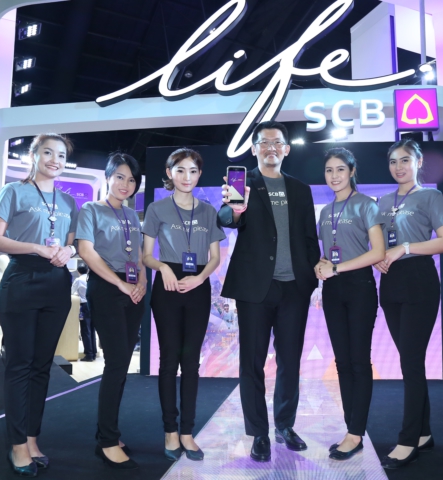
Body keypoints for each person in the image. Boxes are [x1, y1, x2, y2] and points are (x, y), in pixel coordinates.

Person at [219, 120, 320, 462]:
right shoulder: (242, 182)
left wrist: (310, 279)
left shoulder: (301, 189)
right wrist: (236, 210)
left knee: (290, 362)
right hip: (254, 289)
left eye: (277, 142)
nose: (271, 148)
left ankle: (285, 426)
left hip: (294, 289)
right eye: (264, 142)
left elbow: (309, 238)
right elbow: (226, 218)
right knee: (252, 363)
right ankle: (258, 432)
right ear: (254, 149)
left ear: (287, 149)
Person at [0, 133, 79, 477]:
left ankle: (31, 437)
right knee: (19, 366)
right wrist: (36, 248)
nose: (55, 160)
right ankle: (17, 444)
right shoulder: (14, 191)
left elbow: (73, 243)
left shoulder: (69, 202)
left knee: (42, 367)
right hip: (22, 280)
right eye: (48, 152)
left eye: (61, 155)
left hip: (57, 284)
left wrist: (70, 250)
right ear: (34, 155)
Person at [376, 139, 443, 469]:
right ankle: (423, 433)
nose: (399, 167)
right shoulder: (383, 201)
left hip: (419, 281)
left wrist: (404, 248)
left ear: (419, 162)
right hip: (390, 284)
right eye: (393, 161)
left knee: (410, 362)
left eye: (405, 160)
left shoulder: (431, 196)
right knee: (411, 362)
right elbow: (377, 243)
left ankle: (407, 440)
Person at [142, 147, 225, 461]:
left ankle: (187, 432)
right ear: (169, 173)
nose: (186, 177)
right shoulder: (157, 209)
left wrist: (200, 278)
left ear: (199, 174)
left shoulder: (209, 211)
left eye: (192, 171)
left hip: (198, 287)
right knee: (168, 361)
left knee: (191, 363)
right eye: (180, 170)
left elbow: (215, 257)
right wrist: (162, 267)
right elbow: (146, 255)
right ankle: (170, 431)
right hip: (167, 286)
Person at [313, 148, 385, 460]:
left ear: (352, 171)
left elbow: (378, 252)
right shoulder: (325, 211)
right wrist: (320, 264)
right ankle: (351, 430)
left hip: (359, 287)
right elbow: (326, 251)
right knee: (342, 362)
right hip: (333, 289)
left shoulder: (367, 205)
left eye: (340, 169)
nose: (334, 175)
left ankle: (355, 433)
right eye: (329, 170)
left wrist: (337, 268)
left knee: (358, 361)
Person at [77, 152, 146, 470]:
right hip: (106, 288)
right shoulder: (91, 209)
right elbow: (86, 251)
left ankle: (107, 432)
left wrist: (141, 282)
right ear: (107, 177)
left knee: (121, 365)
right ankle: (107, 440)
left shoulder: (132, 215)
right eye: (119, 177)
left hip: (133, 291)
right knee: (116, 362)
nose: (125, 184)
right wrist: (120, 284)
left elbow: (139, 255)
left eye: (131, 179)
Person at [71, 264, 96, 361]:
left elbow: (72, 292)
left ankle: (89, 355)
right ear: (87, 270)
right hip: (93, 305)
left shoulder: (78, 280)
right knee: (92, 330)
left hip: (84, 306)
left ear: (78, 271)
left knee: (85, 330)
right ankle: (93, 353)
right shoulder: (90, 279)